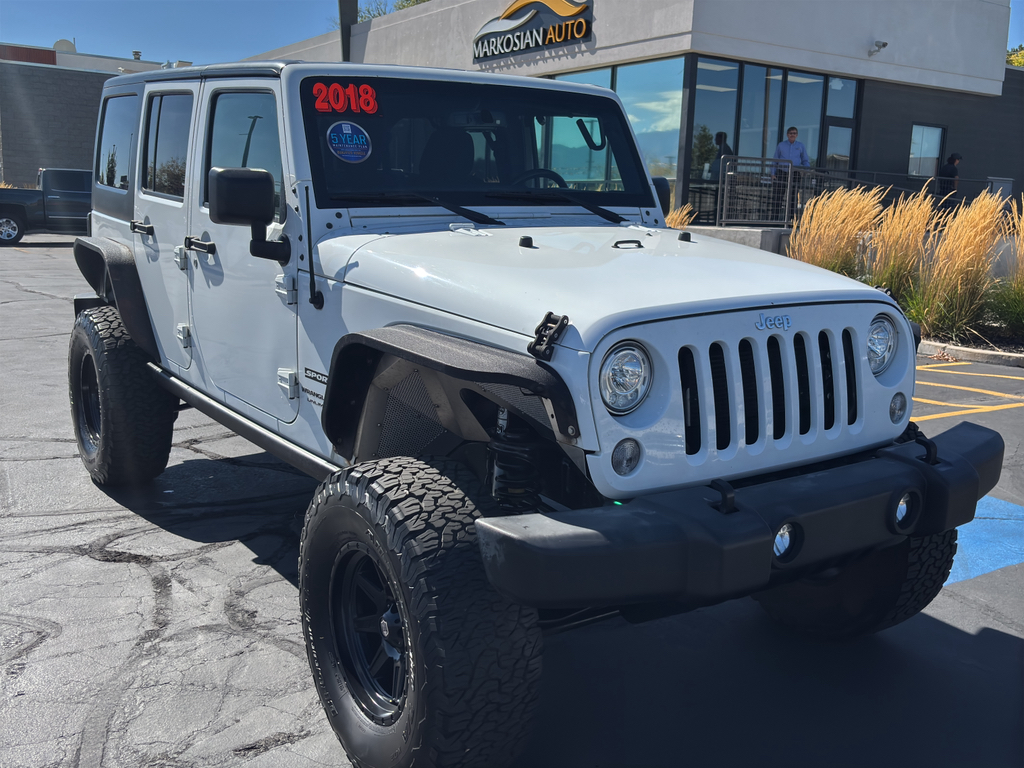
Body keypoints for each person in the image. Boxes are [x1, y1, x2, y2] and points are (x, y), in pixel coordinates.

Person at [772, 127, 809, 223]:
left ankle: (791, 221)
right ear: (787, 134)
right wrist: (773, 173)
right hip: (782, 172)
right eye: (791, 133)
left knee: (793, 198)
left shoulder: (800, 146)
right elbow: (775, 160)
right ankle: (774, 220)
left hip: (794, 174)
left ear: (797, 135)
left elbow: (805, 160)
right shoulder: (781, 145)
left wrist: (806, 170)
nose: (793, 135)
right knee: (778, 197)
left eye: (794, 133)